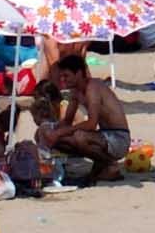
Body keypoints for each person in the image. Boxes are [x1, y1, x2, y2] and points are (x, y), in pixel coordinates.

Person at [37, 52, 132, 184]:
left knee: (80, 137)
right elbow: (67, 121)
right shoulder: (75, 92)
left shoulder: (92, 88)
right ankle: (101, 166)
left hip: (118, 139)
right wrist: (49, 130)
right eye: (62, 76)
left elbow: (91, 124)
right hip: (104, 136)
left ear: (79, 74)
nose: (63, 80)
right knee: (49, 134)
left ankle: (110, 165)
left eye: (66, 76)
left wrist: (59, 132)